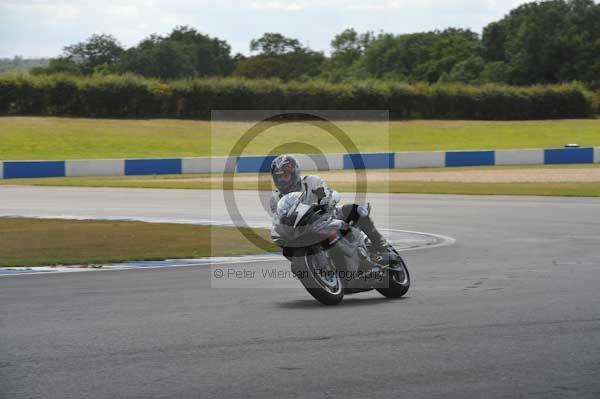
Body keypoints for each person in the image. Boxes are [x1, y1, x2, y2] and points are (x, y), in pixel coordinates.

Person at [269, 154, 390, 252]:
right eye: (278, 177)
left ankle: (380, 244)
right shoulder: (275, 198)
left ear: (295, 174)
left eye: (285, 176)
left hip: (328, 218)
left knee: (355, 209)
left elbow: (332, 194)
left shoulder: (311, 182)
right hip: (303, 231)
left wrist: (326, 200)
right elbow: (277, 220)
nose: (281, 180)